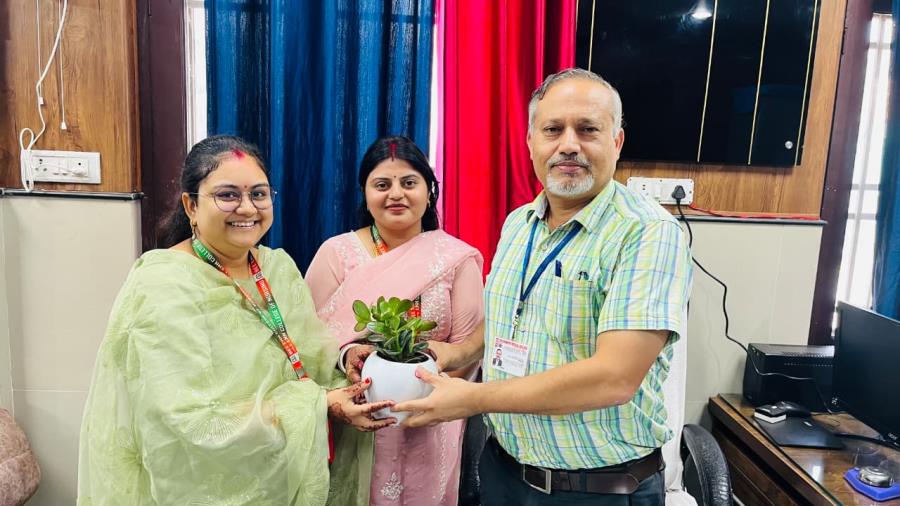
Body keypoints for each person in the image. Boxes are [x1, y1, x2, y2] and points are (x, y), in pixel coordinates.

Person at [395, 68, 693, 505]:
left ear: (617, 142)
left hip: (597, 490)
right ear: (531, 142)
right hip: (504, 473)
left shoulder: (648, 233)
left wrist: (473, 398)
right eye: (553, 129)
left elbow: (614, 378)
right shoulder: (520, 223)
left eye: (587, 129)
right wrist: (458, 354)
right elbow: (511, 315)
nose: (568, 144)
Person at [78, 135, 394, 506]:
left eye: (258, 194)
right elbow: (188, 420)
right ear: (191, 205)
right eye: (227, 195)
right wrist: (318, 405)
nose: (247, 208)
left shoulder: (276, 267)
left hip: (284, 471)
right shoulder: (164, 284)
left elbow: (308, 358)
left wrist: (346, 360)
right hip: (208, 484)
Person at [305, 135, 485, 505]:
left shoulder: (454, 259)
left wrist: (428, 400)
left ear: (429, 191)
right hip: (358, 420)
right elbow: (309, 343)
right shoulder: (336, 254)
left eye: (409, 182)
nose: (396, 194)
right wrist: (348, 357)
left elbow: (467, 350)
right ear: (365, 193)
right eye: (382, 184)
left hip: (432, 423)